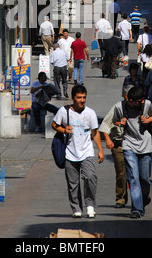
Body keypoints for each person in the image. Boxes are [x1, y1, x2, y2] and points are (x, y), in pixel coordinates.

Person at [52, 84, 104, 218]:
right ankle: (76, 208)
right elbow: (54, 124)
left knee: (90, 177)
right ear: (73, 98)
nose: (82, 100)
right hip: (70, 152)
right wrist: (64, 130)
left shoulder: (90, 113)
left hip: (87, 151)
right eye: (79, 97)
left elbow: (95, 132)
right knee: (72, 183)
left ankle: (90, 205)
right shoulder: (64, 111)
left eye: (84, 97)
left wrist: (100, 150)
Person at [113, 86, 152, 219]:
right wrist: (120, 122)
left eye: (142, 100)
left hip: (145, 145)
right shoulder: (119, 107)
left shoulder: (147, 104)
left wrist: (147, 120)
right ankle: (137, 209)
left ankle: (142, 199)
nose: (141, 103)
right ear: (130, 100)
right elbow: (114, 120)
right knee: (133, 178)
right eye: (138, 101)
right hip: (129, 144)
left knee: (145, 179)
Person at [99, 85, 133, 208]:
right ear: (126, 97)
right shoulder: (118, 107)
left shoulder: (140, 107)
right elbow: (105, 125)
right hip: (119, 144)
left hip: (135, 145)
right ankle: (120, 198)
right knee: (121, 173)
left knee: (137, 173)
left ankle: (138, 197)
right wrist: (108, 140)